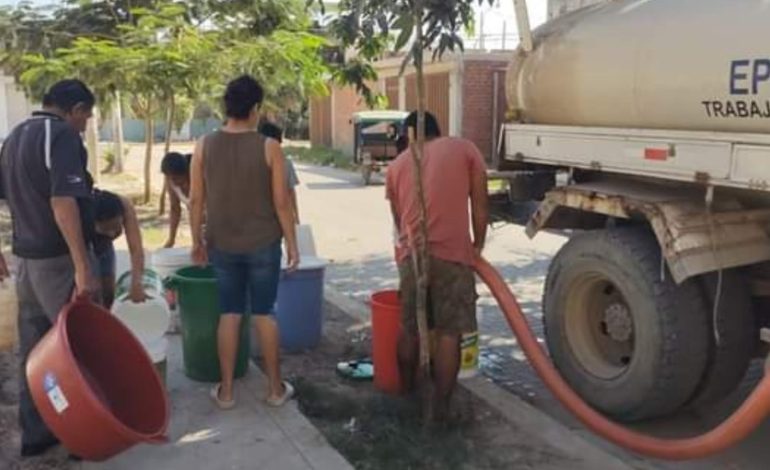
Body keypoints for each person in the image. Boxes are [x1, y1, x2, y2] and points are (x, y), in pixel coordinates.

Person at [0, 79, 98, 457]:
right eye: (85, 117)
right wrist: (81, 267)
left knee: (36, 351)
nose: (85, 125)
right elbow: (63, 203)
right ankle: (84, 433)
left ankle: (37, 433)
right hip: (57, 261)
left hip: (24, 261)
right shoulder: (60, 137)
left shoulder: (14, 137)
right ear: (73, 109)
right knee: (79, 347)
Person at [190, 75, 299, 409]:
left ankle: (225, 392)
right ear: (255, 108)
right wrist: (293, 245)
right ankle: (275, 390)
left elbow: (196, 199)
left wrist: (196, 240)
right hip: (264, 244)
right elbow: (282, 203)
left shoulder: (203, 145)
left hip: (222, 243)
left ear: (227, 107)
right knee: (265, 314)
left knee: (230, 313)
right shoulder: (270, 147)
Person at [386, 110, 489, 421]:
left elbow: (397, 220)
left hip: (411, 257)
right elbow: (481, 205)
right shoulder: (464, 148)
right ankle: (442, 409)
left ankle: (407, 396)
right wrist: (477, 245)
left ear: (411, 134)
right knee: (448, 333)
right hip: (452, 256)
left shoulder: (396, 166)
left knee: (410, 328)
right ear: (437, 130)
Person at [92, 189, 147, 309]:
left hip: (104, 246)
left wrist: (137, 282)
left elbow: (136, 249)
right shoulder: (80, 212)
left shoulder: (125, 205)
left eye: (116, 228)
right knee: (92, 292)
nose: (112, 234)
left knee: (108, 292)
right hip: (84, 246)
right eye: (105, 229)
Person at [259, 122, 300, 224]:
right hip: (280, 219)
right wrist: (295, 216)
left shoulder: (251, 161)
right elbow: (290, 192)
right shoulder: (285, 162)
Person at [161, 152, 191, 248]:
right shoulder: (170, 181)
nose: (174, 182)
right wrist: (171, 239)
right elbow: (175, 209)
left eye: (177, 178)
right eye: (170, 178)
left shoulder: (198, 177)